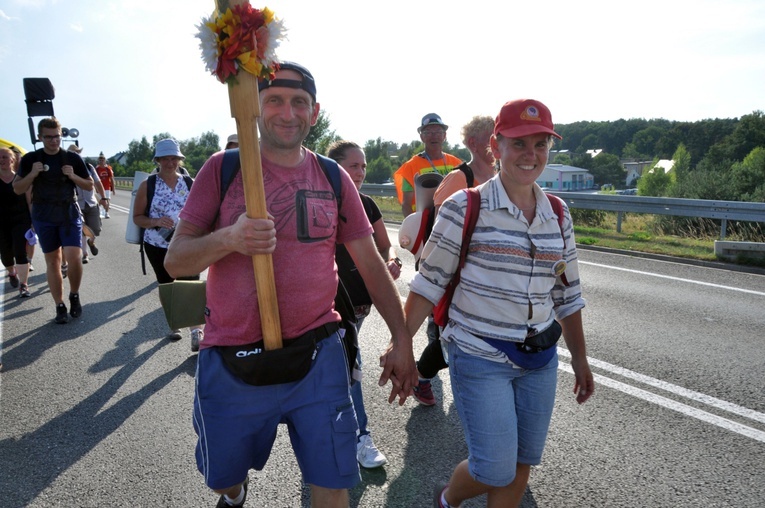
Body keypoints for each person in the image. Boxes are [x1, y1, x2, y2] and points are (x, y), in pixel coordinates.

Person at [164, 61, 417, 508]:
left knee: (334, 483)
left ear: (314, 112)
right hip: (231, 353)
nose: (287, 111)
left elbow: (372, 265)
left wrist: (402, 339)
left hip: (317, 353)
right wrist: (230, 238)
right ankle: (236, 492)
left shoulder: (334, 177)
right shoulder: (223, 169)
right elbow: (176, 259)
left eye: (299, 102)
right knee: (221, 478)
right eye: (274, 100)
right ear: (254, 108)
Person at [402, 99, 595, 508]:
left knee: (522, 463)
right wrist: (400, 345)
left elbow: (567, 295)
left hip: (539, 360)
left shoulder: (558, 214)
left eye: (540, 145)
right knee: (493, 469)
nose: (531, 155)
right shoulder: (464, 206)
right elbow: (428, 283)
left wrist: (580, 358)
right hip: (479, 353)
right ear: (497, 145)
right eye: (519, 144)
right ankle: (447, 499)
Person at [411, 115, 497, 406]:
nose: (500, 142)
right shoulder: (459, 179)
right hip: (452, 272)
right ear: (474, 143)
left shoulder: (503, 178)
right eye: (493, 137)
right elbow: (440, 231)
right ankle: (421, 377)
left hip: (485, 274)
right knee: (450, 335)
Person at [327, 140, 402, 469]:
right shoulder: (324, 201)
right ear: (335, 167)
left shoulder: (368, 204)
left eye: (363, 166)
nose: (359, 172)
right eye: (353, 165)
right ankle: (359, 436)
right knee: (349, 363)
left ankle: (329, 424)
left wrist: (393, 260)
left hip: (361, 304)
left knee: (340, 366)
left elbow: (386, 246)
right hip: (328, 304)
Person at [14, 117, 94, 323]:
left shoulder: (72, 159)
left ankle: (74, 294)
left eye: (57, 136)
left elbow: (89, 185)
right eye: (48, 137)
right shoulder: (31, 159)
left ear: (61, 135)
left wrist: (73, 177)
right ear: (40, 137)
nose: (53, 141)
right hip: (44, 214)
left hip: (68, 212)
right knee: (53, 262)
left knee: (74, 257)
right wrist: (32, 174)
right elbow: (18, 188)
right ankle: (59, 305)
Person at [132, 139, 204, 351]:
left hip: (186, 243)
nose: (170, 162)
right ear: (158, 160)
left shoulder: (190, 183)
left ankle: (196, 333)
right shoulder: (149, 185)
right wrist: (155, 221)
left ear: (180, 159)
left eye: (174, 158)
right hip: (156, 245)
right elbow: (137, 217)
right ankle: (175, 323)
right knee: (168, 285)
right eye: (165, 158)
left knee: (191, 286)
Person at [393, 113, 462, 217]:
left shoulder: (457, 163)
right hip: (425, 224)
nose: (434, 136)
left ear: (444, 136)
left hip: (453, 223)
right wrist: (415, 229)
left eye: (438, 132)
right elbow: (406, 205)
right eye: (428, 132)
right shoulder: (411, 167)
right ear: (422, 137)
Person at [1, 147, 33, 297]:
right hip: (2, 222)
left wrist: (34, 221)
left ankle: (24, 285)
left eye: (5, 157)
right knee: (6, 254)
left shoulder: (21, 180)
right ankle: (11, 272)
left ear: (13, 160)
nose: (1, 160)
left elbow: (29, 202)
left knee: (20, 251)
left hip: (21, 220)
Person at [67, 145, 106, 264]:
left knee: (95, 230)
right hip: (77, 204)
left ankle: (91, 242)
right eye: (73, 152)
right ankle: (85, 254)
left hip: (91, 202)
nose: (76, 154)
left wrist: (103, 198)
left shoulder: (88, 167)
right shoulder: (67, 169)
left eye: (77, 152)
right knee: (82, 230)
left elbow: (98, 183)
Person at [10, 146, 35, 271]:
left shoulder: (26, 171)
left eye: (17, 156)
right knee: (16, 242)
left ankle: (29, 261)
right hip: (10, 213)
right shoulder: (5, 173)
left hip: (26, 210)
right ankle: (20, 260)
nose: (15, 159)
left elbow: (29, 197)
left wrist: (32, 217)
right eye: (13, 157)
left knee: (30, 238)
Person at [95, 152, 115, 218]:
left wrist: (113, 189)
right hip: (99, 188)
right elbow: (94, 179)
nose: (101, 161)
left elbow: (111, 179)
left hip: (107, 187)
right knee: (100, 201)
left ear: (105, 161)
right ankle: (98, 212)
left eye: (103, 160)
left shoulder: (108, 169)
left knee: (107, 200)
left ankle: (106, 213)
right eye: (100, 160)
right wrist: (95, 188)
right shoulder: (97, 169)